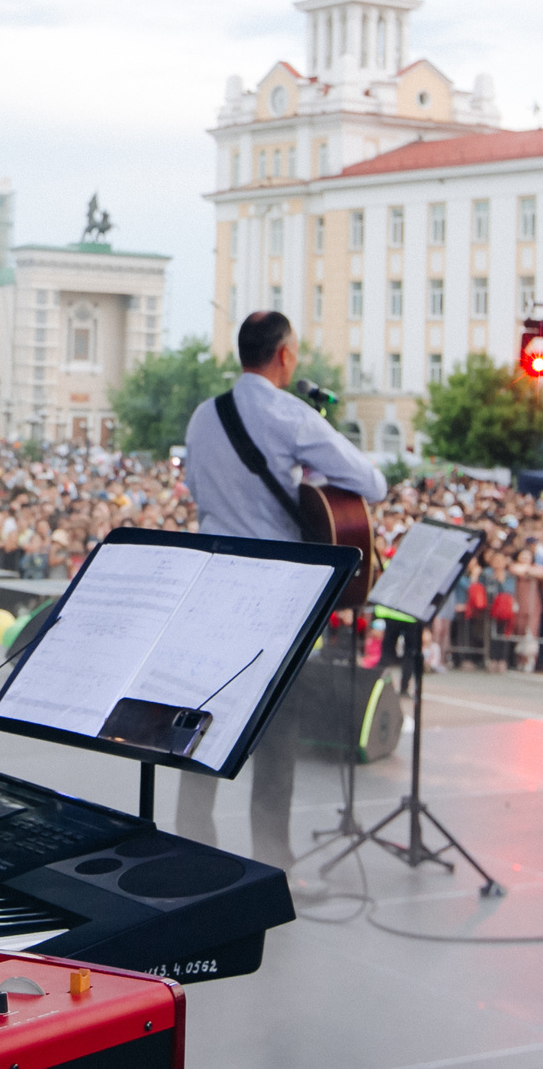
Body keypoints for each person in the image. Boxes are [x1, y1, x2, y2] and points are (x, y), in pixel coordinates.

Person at [173, 310, 384, 876]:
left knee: (199, 724)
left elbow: (197, 490)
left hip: (211, 590)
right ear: (285, 355)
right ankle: (271, 861)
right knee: (276, 736)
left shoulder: (202, 417)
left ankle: (190, 851)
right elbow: (371, 483)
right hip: (273, 598)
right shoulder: (287, 415)